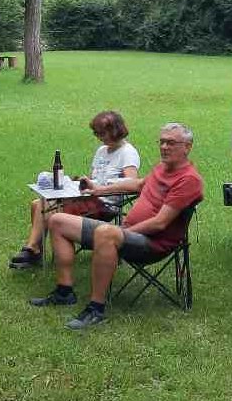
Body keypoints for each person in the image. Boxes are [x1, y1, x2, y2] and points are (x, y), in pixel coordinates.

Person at [31, 122, 203, 329]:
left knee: (106, 233)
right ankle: (64, 291)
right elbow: (138, 184)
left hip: (152, 244)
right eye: (162, 142)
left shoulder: (188, 180)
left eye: (171, 143)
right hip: (125, 234)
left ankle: (96, 308)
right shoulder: (162, 168)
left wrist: (122, 232)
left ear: (187, 147)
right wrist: (99, 190)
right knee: (57, 220)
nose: (164, 147)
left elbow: (160, 223)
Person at [9, 110, 139, 269]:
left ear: (115, 130)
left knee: (49, 208)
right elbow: (94, 178)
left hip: (105, 204)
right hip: (87, 197)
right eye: (97, 134)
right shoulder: (102, 151)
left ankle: (32, 251)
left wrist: (101, 188)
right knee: (38, 203)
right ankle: (35, 250)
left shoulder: (127, 152)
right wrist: (82, 182)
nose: (99, 137)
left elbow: (131, 182)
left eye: (102, 133)